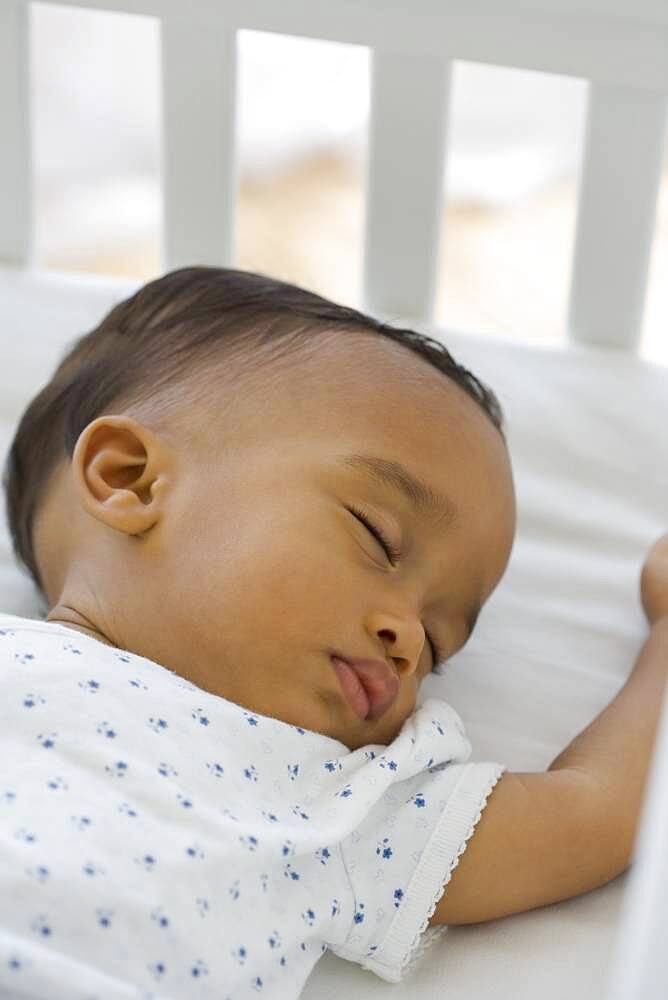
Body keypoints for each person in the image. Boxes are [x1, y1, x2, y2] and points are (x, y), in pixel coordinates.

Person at [1, 266, 666, 999]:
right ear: (132, 480)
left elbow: (592, 808)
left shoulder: (339, 802)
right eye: (376, 537)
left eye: (440, 647)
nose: (409, 637)